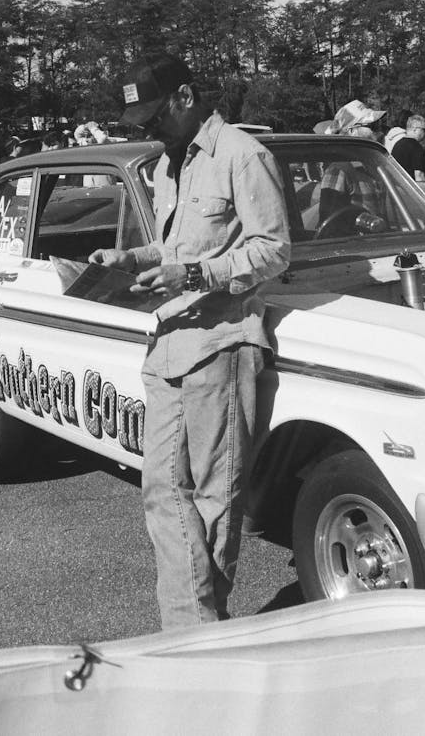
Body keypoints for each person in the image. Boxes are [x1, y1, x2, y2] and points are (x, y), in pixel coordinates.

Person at [88, 53, 290, 629]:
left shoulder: (243, 155)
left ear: (186, 94)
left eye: (154, 114)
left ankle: (195, 631)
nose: (147, 128)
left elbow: (273, 250)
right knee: (160, 492)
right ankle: (191, 625)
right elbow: (175, 248)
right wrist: (131, 257)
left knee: (215, 497)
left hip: (222, 345)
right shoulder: (166, 165)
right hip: (169, 342)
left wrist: (195, 275)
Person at [391, 115, 425, 182]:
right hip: (412, 188)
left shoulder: (397, 145)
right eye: (423, 129)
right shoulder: (416, 147)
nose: (424, 133)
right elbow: (419, 175)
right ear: (415, 129)